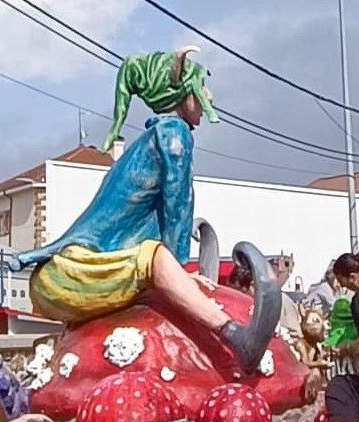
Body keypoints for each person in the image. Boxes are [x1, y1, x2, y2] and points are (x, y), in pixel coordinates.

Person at [17, 48, 278, 372]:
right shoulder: (173, 135)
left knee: (154, 261)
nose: (208, 96)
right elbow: (176, 204)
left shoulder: (151, 139)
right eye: (201, 88)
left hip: (66, 275)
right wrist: (179, 269)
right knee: (154, 258)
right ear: (183, 93)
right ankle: (237, 336)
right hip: (72, 273)